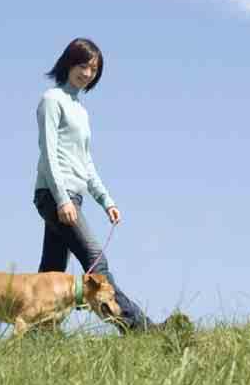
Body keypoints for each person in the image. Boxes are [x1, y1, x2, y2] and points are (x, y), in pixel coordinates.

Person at [32, 37, 157, 333]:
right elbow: (49, 153)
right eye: (81, 65)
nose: (86, 73)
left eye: (93, 69)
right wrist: (62, 199)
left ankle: (36, 336)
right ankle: (141, 329)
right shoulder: (52, 100)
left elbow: (85, 163)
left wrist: (106, 201)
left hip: (73, 196)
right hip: (54, 195)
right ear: (67, 63)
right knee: (96, 265)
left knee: (50, 272)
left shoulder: (81, 111)